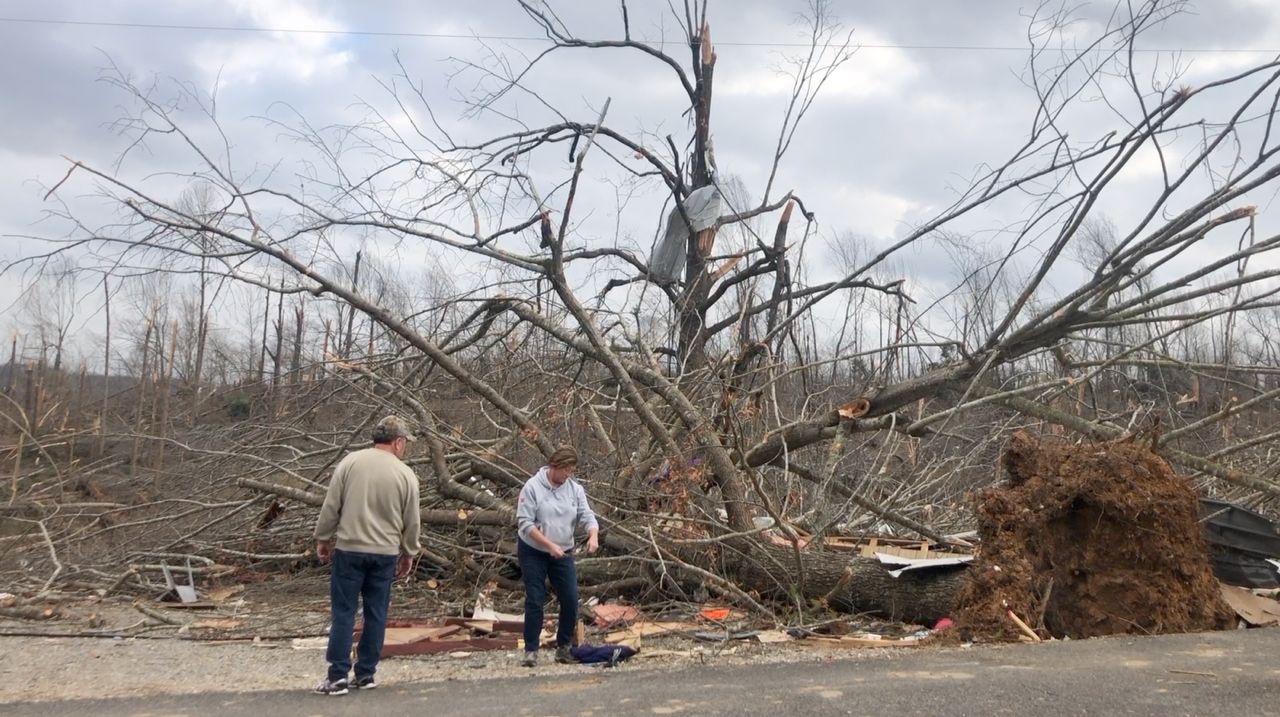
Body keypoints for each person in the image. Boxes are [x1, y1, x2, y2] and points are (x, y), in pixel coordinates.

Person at [312, 415, 421, 696]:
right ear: (398, 442)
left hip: (350, 548)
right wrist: (408, 551)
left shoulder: (350, 462)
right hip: (384, 553)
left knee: (344, 612)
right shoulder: (405, 474)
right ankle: (366, 673)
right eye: (405, 443)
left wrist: (323, 537)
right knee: (376, 613)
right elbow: (412, 520)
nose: (405, 447)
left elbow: (332, 504)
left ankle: (337, 676)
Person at [516, 445, 599, 667]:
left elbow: (587, 515)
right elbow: (525, 524)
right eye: (566, 470)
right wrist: (548, 544)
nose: (568, 475)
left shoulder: (575, 490)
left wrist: (593, 535)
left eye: (571, 471)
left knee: (570, 598)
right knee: (535, 597)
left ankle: (564, 647)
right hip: (534, 550)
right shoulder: (532, 487)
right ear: (555, 466)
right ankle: (531, 650)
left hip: (563, 551)